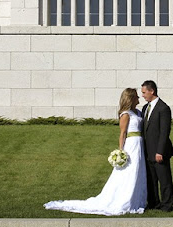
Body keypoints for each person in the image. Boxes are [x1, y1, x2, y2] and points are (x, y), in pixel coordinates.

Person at [43, 88, 147, 216]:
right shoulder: (126, 114)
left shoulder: (138, 112)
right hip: (131, 144)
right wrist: (121, 151)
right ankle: (125, 199)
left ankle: (136, 198)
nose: (139, 98)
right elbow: (123, 133)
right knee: (129, 171)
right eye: (136, 96)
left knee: (138, 170)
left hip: (139, 144)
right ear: (131, 98)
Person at [141, 80, 173, 212]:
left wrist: (160, 151)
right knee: (151, 179)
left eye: (144, 92)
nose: (142, 95)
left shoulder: (163, 108)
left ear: (152, 91)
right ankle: (153, 202)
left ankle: (167, 204)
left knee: (164, 179)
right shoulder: (145, 108)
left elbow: (165, 132)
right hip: (147, 150)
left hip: (159, 152)